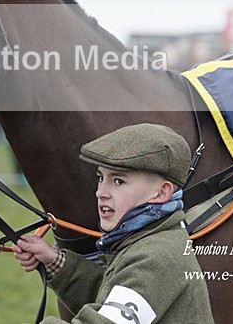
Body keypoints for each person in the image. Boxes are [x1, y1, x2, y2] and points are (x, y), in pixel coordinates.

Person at [13, 123, 213, 324]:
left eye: (118, 181)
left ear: (161, 193)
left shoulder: (156, 257)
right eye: (101, 178)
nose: (101, 192)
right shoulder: (149, 238)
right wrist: (55, 261)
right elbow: (113, 298)